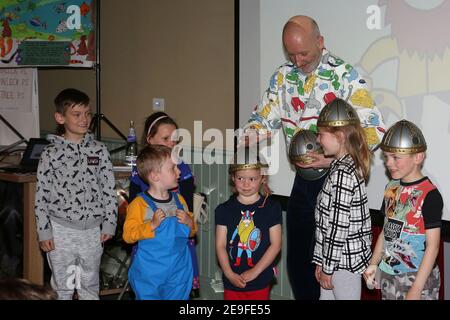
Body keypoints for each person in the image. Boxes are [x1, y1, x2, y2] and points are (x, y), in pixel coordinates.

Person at [242, 15, 385, 300]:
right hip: (302, 187)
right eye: (291, 54)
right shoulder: (282, 76)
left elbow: (374, 131)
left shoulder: (344, 75)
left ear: (320, 42)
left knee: (329, 266)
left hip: (336, 183)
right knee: (298, 263)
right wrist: (252, 133)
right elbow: (263, 118)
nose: (297, 61)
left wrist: (331, 161)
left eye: (303, 53)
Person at [34, 88, 117, 300]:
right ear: (60, 117)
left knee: (89, 284)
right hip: (61, 231)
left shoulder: (99, 151)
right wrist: (44, 232)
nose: (84, 119)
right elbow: (41, 195)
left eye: (87, 114)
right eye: (77, 114)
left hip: (92, 232)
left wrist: (109, 223)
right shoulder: (50, 154)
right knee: (63, 287)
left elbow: (108, 189)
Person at [363, 120, 443, 300]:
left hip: (417, 278)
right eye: (386, 157)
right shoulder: (391, 188)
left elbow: (433, 246)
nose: (389, 163)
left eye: (395, 157)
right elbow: (385, 231)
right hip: (389, 274)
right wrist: (373, 263)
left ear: (418, 157)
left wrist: (416, 288)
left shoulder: (429, 195)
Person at [128, 111, 200, 296]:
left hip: (177, 262)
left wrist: (189, 223)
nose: (172, 144)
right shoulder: (140, 197)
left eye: (175, 139)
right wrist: (150, 226)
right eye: (166, 138)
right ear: (150, 139)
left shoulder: (181, 177)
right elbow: (131, 229)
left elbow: (189, 217)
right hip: (151, 263)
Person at [312, 99, 372, 300]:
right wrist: (321, 261)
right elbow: (326, 222)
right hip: (334, 261)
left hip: (343, 263)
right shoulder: (340, 166)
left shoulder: (343, 174)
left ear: (339, 136)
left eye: (321, 135)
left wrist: (328, 267)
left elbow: (338, 227)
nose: (318, 140)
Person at [215, 146, 282, 300]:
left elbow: (276, 244)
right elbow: (220, 246)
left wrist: (255, 272)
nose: (246, 184)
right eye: (240, 178)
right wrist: (229, 274)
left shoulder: (272, 208)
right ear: (233, 177)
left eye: (252, 179)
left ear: (263, 178)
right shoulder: (223, 210)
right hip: (232, 281)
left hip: (260, 280)